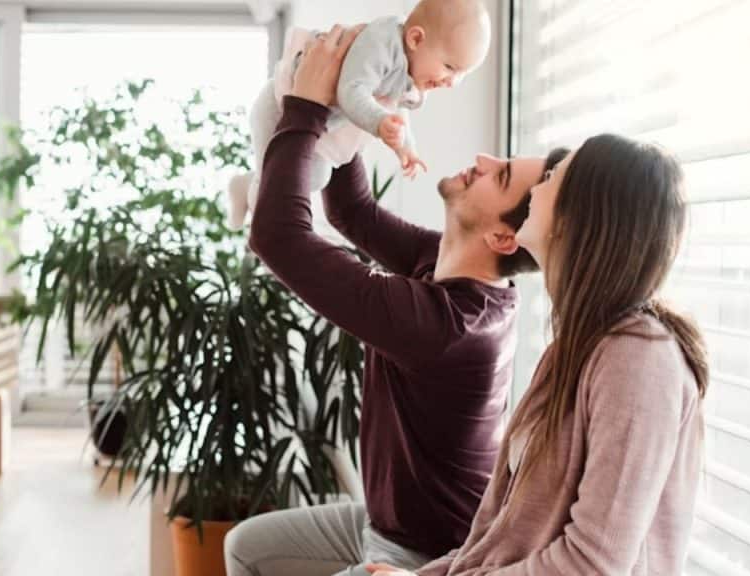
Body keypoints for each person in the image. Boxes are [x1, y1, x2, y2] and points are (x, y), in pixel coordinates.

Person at [224, 25, 567, 576]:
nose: (481, 158)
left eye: (498, 175)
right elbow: (352, 212)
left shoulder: (446, 327)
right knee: (247, 549)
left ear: (504, 239)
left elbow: (277, 237)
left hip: (426, 555)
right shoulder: (451, 268)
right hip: (387, 521)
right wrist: (346, 107)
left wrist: (306, 107)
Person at [367, 135, 708, 576]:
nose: (539, 185)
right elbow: (493, 541)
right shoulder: (571, 352)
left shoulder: (640, 360)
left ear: (575, 217)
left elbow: (593, 565)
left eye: (552, 177)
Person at [226, 0, 492, 229]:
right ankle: (246, 193)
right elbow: (350, 91)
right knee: (272, 186)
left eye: (462, 75)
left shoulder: (408, 66)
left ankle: (247, 184)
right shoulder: (381, 43)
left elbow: (396, 110)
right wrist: (379, 122)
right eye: (450, 67)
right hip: (276, 104)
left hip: (310, 119)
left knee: (317, 178)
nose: (452, 82)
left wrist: (406, 148)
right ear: (416, 38)